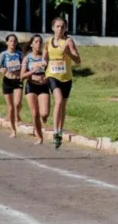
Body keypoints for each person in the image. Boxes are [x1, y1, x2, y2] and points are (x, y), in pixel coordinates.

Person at [44, 17, 81, 149]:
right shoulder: (48, 42)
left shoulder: (68, 41)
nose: (60, 29)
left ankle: (60, 131)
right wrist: (41, 65)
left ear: (66, 28)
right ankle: (54, 132)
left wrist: (67, 53)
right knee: (58, 101)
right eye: (58, 26)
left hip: (66, 77)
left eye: (63, 27)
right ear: (53, 27)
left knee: (63, 105)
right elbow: (45, 59)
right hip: (52, 75)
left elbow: (78, 60)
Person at [21, 34, 50, 145]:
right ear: (31, 44)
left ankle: (44, 118)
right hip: (31, 86)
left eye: (40, 42)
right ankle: (39, 137)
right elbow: (22, 75)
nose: (38, 44)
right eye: (36, 42)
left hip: (43, 86)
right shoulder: (27, 58)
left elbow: (50, 71)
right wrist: (33, 70)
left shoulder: (45, 57)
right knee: (35, 114)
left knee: (44, 113)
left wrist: (48, 76)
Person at [0, 34, 24, 138]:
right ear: (7, 42)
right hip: (7, 82)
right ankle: (13, 130)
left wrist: (23, 72)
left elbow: (25, 67)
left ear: (16, 43)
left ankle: (18, 116)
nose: (12, 43)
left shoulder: (20, 54)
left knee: (17, 103)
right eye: (10, 41)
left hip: (18, 81)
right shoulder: (3, 55)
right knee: (11, 108)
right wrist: (0, 71)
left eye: (14, 41)